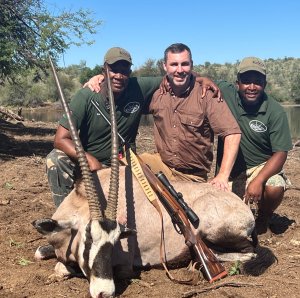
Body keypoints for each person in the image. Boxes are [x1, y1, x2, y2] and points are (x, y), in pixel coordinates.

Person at [47, 46, 220, 207]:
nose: (119, 76)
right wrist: (89, 159)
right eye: (113, 70)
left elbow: (177, 74)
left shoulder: (138, 87)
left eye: (124, 71)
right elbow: (60, 139)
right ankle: (63, 217)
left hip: (123, 162)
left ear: (130, 72)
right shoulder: (86, 96)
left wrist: (200, 78)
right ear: (104, 70)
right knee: (56, 159)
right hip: (89, 162)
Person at [86, 43, 241, 190]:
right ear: (165, 66)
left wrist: (223, 175)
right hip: (161, 165)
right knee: (119, 170)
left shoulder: (206, 94)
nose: (179, 70)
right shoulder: (157, 93)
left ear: (191, 65)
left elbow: (232, 134)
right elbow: (123, 91)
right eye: (174, 64)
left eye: (184, 64)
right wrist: (102, 78)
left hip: (191, 176)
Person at [216, 57, 293, 235]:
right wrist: (202, 79)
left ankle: (263, 217)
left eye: (257, 82)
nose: (252, 87)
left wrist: (258, 181)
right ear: (237, 83)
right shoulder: (227, 93)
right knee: (226, 220)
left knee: (275, 187)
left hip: (260, 167)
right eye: (246, 81)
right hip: (231, 169)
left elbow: (281, 153)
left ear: (264, 84)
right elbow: (196, 79)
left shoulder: (275, 111)